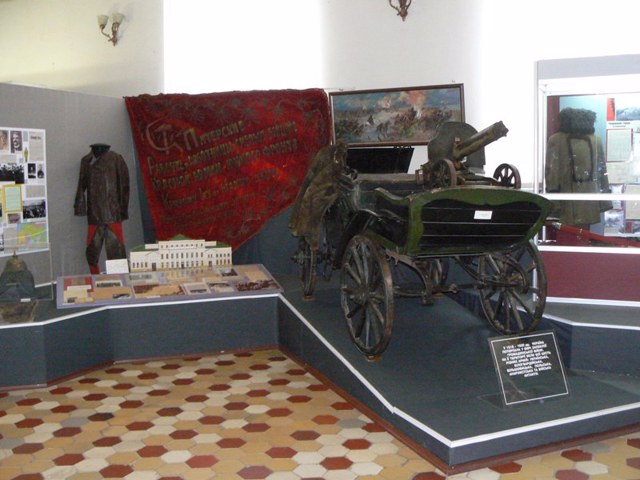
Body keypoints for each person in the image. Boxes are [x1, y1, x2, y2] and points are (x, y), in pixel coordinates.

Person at [545, 108, 612, 227]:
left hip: (565, 201)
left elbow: (552, 173)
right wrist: (605, 199)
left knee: (567, 235)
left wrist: (554, 201)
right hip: (588, 202)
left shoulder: (555, 140)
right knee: (584, 234)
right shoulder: (596, 140)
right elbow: (602, 171)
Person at [74, 143, 130, 274]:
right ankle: (95, 280)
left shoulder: (116, 159)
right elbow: (81, 185)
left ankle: (121, 282)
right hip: (94, 214)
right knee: (91, 253)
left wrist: (122, 210)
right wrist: (80, 207)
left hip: (113, 214)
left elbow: (124, 185)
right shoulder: (86, 161)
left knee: (117, 252)